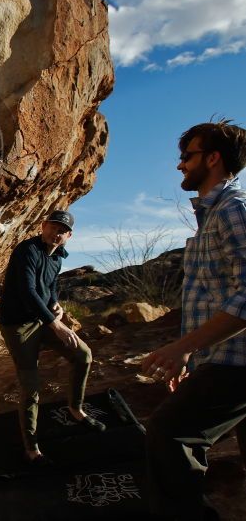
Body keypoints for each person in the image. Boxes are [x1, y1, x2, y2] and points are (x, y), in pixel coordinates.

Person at [142, 120, 246, 521]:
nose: (179, 166)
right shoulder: (213, 214)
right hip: (221, 359)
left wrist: (184, 346)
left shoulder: (233, 209)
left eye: (187, 156)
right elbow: (214, 294)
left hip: (238, 362)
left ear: (213, 158)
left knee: (170, 432)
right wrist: (192, 358)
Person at [0, 210, 105, 464]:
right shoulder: (27, 251)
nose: (56, 233)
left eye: (62, 231)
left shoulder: (57, 258)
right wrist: (56, 324)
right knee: (31, 384)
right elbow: (28, 291)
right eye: (53, 227)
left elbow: (50, 287)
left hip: (42, 318)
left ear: (69, 235)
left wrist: (57, 305)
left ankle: (75, 409)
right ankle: (32, 448)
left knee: (83, 355)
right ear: (43, 226)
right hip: (18, 325)